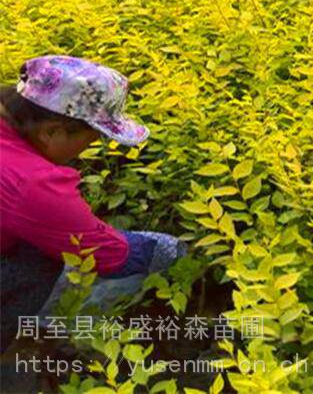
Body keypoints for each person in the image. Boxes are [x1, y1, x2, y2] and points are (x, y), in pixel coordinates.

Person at [0, 55, 186, 353]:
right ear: (51, 131)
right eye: (94, 136)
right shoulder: (32, 183)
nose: (93, 145)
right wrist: (174, 251)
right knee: (43, 260)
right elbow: (107, 255)